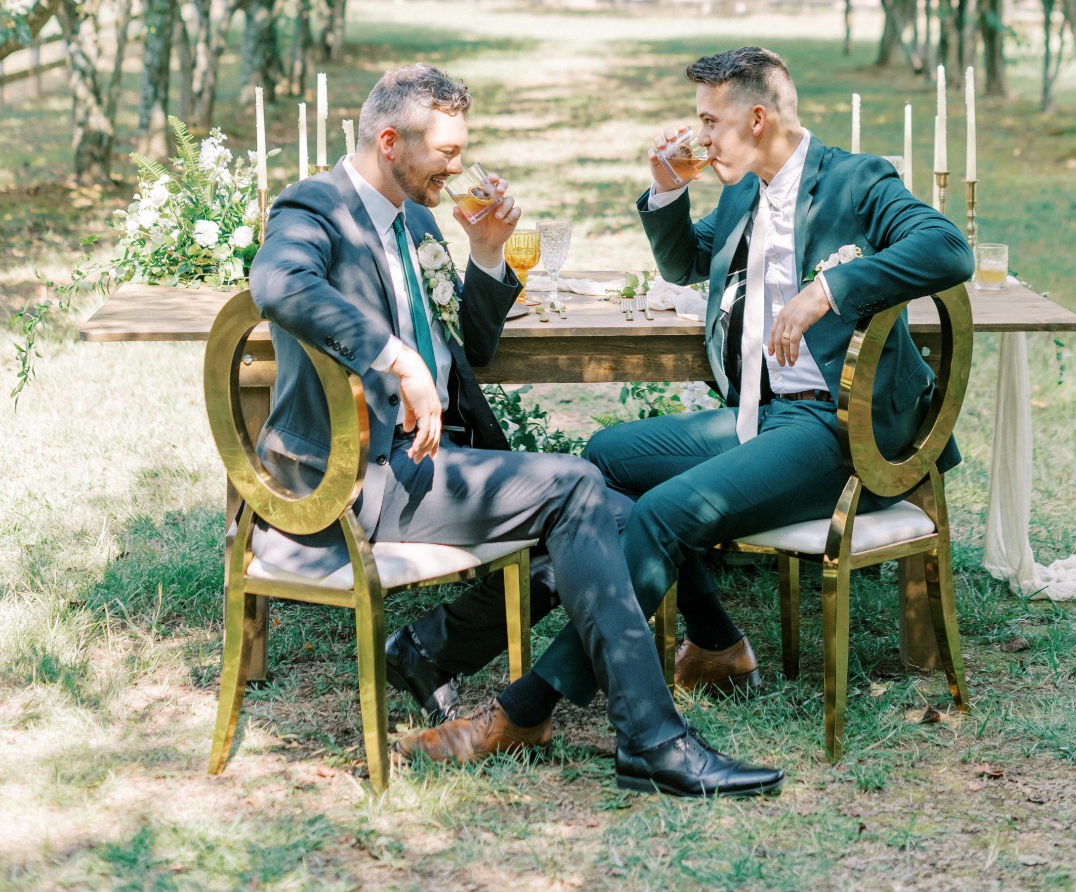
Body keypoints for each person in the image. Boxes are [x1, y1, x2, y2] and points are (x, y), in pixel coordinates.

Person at [249, 62, 782, 798]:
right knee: (579, 487)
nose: (460, 168)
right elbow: (277, 285)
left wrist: (489, 253)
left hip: (431, 462)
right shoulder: (314, 209)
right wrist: (392, 355)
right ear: (390, 139)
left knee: (627, 516)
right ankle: (654, 741)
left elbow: (464, 355)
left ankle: (433, 651)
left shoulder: (413, 217)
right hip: (355, 475)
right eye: (447, 153)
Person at [490, 44, 975, 713]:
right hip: (765, 416)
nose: (699, 136)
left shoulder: (856, 181)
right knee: (607, 458)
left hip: (844, 429)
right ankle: (717, 642)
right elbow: (687, 261)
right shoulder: (747, 191)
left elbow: (948, 249)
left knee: (662, 514)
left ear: (756, 119)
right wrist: (667, 191)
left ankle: (531, 705)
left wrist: (829, 288)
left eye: (709, 121)